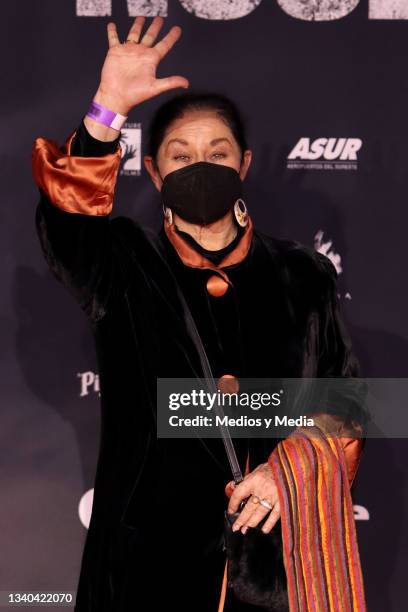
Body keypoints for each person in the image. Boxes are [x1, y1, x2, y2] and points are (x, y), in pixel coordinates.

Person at [31, 16, 367, 612]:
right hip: (143, 568)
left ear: (243, 164)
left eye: (216, 153)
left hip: (272, 566)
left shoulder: (304, 273)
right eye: (180, 156)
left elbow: (349, 400)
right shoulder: (122, 262)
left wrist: (287, 471)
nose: (199, 165)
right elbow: (67, 220)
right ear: (155, 172)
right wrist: (107, 107)